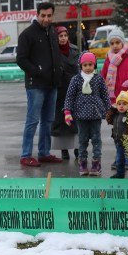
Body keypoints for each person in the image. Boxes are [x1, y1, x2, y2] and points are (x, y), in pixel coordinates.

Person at [16, 1, 63, 167]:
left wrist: (59, 72)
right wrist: (37, 71)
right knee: (33, 121)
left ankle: (44, 152)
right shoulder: (27, 34)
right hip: (35, 85)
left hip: (52, 84)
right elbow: (20, 59)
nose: (46, 19)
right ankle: (25, 155)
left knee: (48, 121)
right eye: (43, 15)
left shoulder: (52, 32)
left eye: (49, 15)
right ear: (37, 15)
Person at [63, 52, 111, 177]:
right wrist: (67, 111)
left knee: (96, 139)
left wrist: (109, 110)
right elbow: (70, 96)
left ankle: (96, 163)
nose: (88, 67)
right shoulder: (76, 79)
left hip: (95, 114)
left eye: (90, 64)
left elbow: (105, 96)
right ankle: (82, 163)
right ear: (81, 66)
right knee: (82, 140)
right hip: (81, 114)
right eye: (85, 65)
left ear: (94, 65)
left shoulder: (99, 78)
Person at [100, 29, 128, 172]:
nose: (115, 45)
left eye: (117, 42)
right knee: (117, 132)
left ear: (122, 42)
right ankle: (120, 159)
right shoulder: (109, 58)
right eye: (112, 43)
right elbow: (103, 76)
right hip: (115, 102)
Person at [51, 26, 80, 161]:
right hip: (60, 90)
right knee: (62, 121)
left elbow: (80, 68)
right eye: (60, 36)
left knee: (76, 120)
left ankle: (78, 148)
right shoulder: (53, 51)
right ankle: (63, 150)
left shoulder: (75, 50)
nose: (63, 38)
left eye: (65, 35)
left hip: (74, 89)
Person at [106, 90, 128, 179]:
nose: (121, 106)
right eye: (119, 104)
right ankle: (120, 174)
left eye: (124, 104)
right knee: (119, 159)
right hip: (118, 141)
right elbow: (109, 120)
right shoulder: (116, 114)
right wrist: (112, 110)